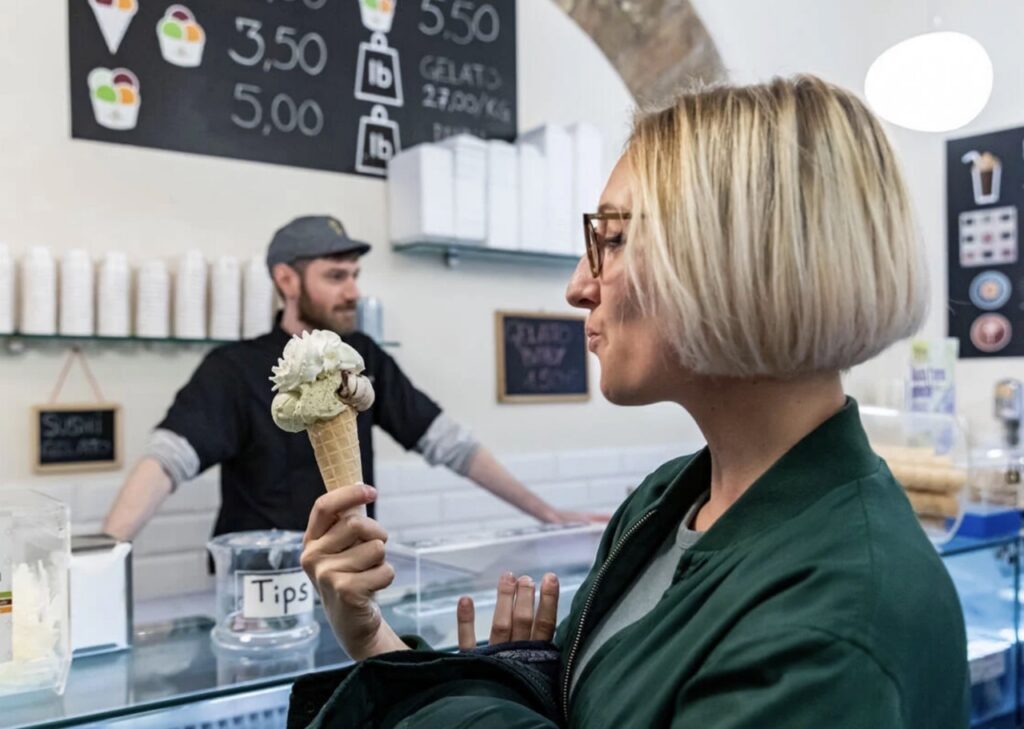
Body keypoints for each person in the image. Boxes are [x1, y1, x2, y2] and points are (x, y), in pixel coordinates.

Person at [289, 75, 969, 728]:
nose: (578, 287)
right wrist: (374, 635)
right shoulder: (667, 499)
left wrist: (464, 694)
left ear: (736, 256)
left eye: (611, 241)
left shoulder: (832, 627)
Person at [103, 215, 598, 542]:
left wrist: (546, 513)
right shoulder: (232, 369)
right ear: (286, 280)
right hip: (261, 591)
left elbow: (450, 444)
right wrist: (102, 558)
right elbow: (166, 462)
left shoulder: (362, 358)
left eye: (355, 275)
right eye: (337, 276)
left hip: (350, 574)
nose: (353, 291)